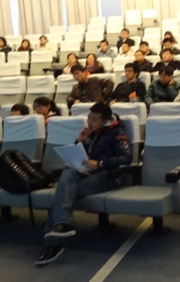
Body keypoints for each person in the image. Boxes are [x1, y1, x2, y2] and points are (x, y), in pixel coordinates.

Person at [35, 103, 132, 265]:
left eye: (94, 119)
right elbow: (78, 155)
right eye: (89, 117)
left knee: (63, 193)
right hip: (87, 174)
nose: (90, 122)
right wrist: (79, 141)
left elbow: (127, 158)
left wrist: (99, 163)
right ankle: (62, 225)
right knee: (67, 174)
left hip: (108, 176)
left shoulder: (117, 133)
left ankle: (52, 243)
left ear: (105, 120)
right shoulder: (91, 133)